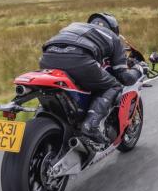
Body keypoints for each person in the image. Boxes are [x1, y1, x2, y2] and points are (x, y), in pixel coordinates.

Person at [39, 13, 143, 143]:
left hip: (47, 57)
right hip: (78, 59)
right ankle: (90, 125)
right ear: (113, 28)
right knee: (113, 85)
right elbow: (124, 76)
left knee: (51, 88)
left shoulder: (75, 25)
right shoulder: (113, 38)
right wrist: (139, 69)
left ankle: (43, 116)